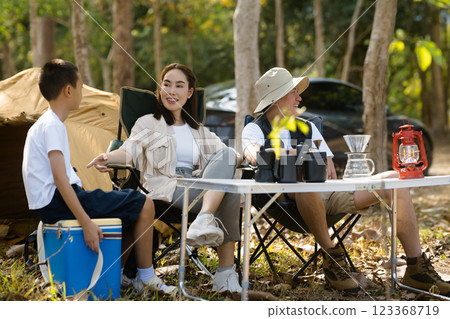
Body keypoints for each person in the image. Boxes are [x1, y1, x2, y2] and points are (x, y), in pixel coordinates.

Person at [241, 67, 450, 296]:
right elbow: (251, 153)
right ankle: (333, 259)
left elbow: (327, 168)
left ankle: (416, 268)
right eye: (293, 92)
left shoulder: (308, 127)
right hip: (284, 203)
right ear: (275, 99)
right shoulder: (255, 129)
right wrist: (281, 154)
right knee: (305, 185)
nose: (299, 98)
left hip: (326, 194)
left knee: (394, 179)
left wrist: (308, 159)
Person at [22, 59, 176, 295]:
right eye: (81, 86)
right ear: (69, 90)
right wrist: (86, 223)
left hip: (51, 204)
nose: (82, 91)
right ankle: (146, 276)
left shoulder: (43, 124)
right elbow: (60, 179)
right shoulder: (53, 126)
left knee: (127, 215)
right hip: (59, 201)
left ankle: (118, 275)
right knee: (143, 203)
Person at [88, 63, 242, 293]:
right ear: (160, 89)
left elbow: (226, 156)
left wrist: (249, 156)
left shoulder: (198, 130)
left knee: (228, 159)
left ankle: (213, 244)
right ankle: (223, 270)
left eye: (179, 86)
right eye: (166, 84)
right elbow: (129, 150)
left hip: (198, 183)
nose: (171, 90)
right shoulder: (148, 122)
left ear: (189, 93)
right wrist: (108, 156)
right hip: (166, 185)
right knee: (228, 191)